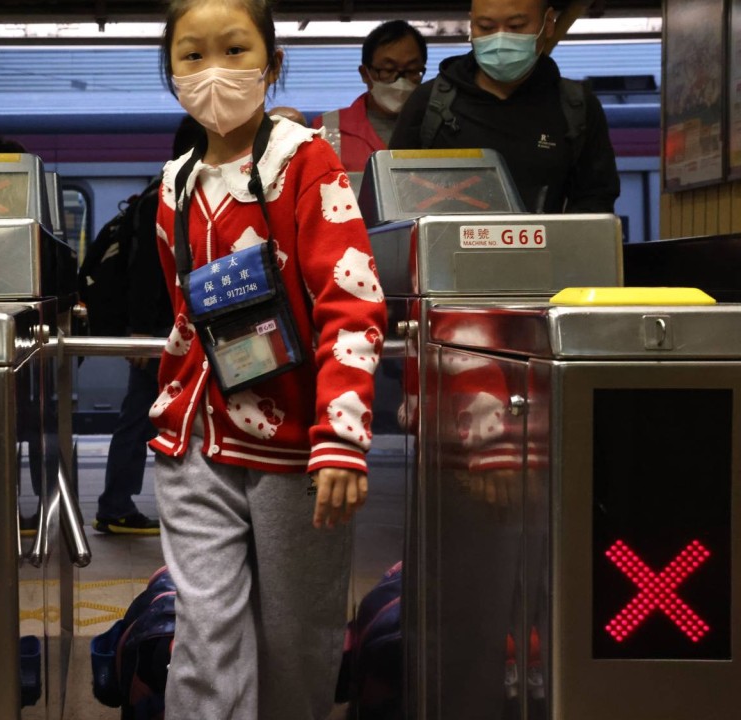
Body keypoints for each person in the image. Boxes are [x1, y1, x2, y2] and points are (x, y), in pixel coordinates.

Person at [152, 1, 387, 718]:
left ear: (271, 64)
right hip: (194, 438)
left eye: (233, 49)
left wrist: (341, 441)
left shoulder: (308, 164)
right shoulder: (174, 186)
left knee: (298, 645)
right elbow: (187, 316)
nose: (213, 71)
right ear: (170, 71)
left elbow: (354, 300)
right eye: (192, 55)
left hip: (296, 449)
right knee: (204, 638)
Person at [390, 0, 619, 213]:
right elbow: (395, 195)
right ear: (472, 25)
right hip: (448, 252)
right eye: (486, 27)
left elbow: (596, 200)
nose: (500, 39)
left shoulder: (576, 107)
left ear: (548, 24)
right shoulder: (429, 103)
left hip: (548, 253)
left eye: (516, 26)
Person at [93, 116, 204, 536]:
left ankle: (122, 501)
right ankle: (116, 503)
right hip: (159, 330)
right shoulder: (165, 195)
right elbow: (146, 270)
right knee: (140, 415)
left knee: (146, 415)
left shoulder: (175, 191)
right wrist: (139, 331)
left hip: (173, 325)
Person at [311, 20, 427, 172]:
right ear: (365, 74)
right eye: (388, 69)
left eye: (412, 70)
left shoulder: (438, 126)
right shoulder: (328, 126)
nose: (400, 81)